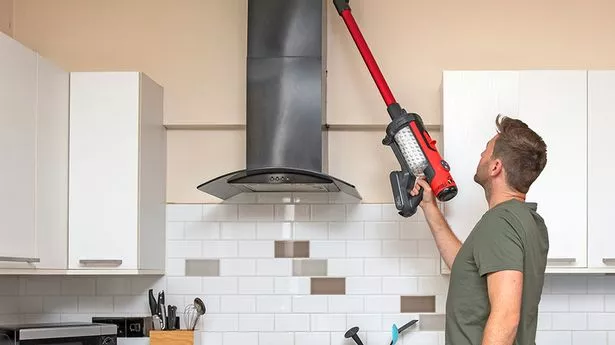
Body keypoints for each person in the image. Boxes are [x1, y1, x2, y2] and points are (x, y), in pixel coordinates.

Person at [410, 114, 549, 345]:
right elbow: (466, 265)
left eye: (486, 150)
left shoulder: (501, 222)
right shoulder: (528, 220)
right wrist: (429, 206)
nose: (481, 155)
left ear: (496, 166)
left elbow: (506, 318)